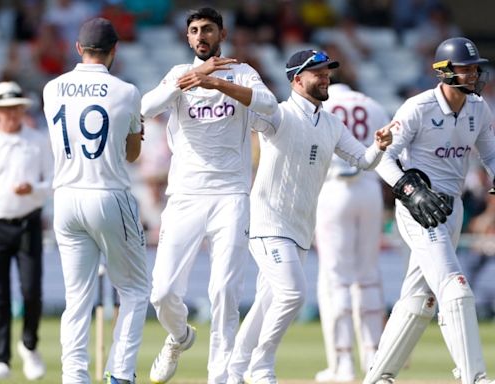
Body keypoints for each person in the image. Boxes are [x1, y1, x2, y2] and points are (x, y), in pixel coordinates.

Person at [226, 49, 395, 384]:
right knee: (292, 294)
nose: (325, 76)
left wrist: (379, 145)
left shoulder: (332, 123)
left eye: (327, 71)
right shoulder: (279, 114)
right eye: (317, 72)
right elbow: (253, 106)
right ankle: (261, 368)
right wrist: (220, 83)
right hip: (267, 222)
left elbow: (363, 161)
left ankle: (234, 371)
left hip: (301, 227)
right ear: (297, 79)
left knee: (266, 302)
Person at [140, 7, 278, 384]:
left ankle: (221, 376)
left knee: (224, 292)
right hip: (184, 195)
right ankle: (179, 336)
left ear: (222, 34)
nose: (201, 36)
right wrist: (192, 79)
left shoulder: (243, 73)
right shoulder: (178, 76)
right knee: (162, 292)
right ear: (187, 38)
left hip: (231, 194)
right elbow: (145, 108)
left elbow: (270, 109)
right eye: (195, 31)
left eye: (208, 30)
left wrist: (221, 85)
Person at [363, 37, 495, 384]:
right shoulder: (417, 108)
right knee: (455, 287)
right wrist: (410, 191)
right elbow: (384, 159)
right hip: (419, 209)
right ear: (444, 72)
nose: (472, 75)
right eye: (465, 69)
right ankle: (475, 377)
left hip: (453, 210)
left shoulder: (479, 108)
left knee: (418, 298)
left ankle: (378, 377)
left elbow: (491, 154)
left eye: (474, 69)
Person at [42, 18, 149, 384]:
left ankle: (74, 377)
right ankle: (119, 373)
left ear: (77, 48)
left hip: (66, 198)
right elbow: (131, 154)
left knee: (77, 298)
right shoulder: (127, 91)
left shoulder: (51, 89)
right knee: (135, 288)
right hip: (107, 193)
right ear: (114, 51)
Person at [314, 83, 390, 382]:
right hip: (369, 189)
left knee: (337, 279)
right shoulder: (373, 103)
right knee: (369, 276)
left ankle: (342, 364)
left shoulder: (324, 106)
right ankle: (375, 358)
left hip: (333, 188)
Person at [0, 80, 52, 380]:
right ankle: (2, 358)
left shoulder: (37, 140)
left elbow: (51, 181)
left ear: (22, 110)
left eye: (15, 109)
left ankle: (29, 344)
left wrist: (32, 189)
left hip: (27, 223)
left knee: (31, 290)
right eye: (5, 110)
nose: (11, 115)